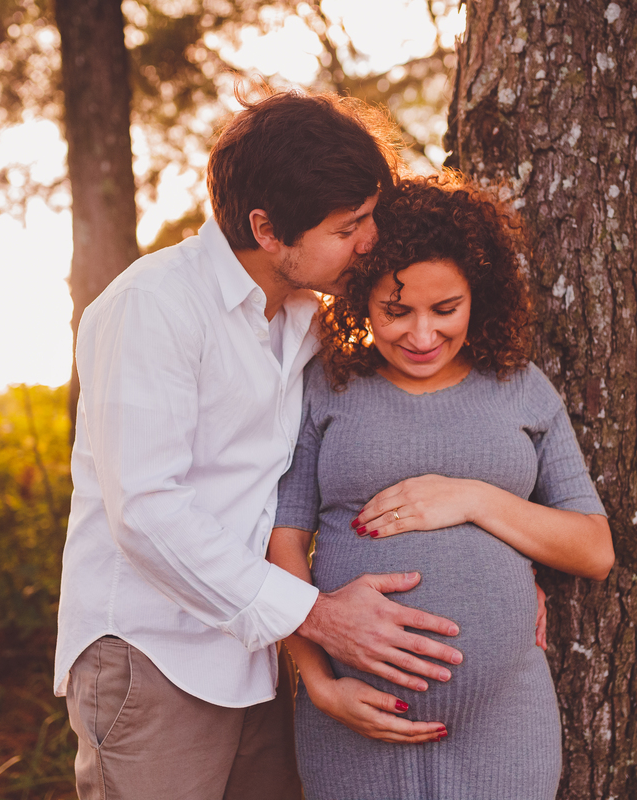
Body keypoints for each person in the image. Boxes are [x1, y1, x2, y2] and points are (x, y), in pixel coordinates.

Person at [53, 91, 470, 800]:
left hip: (255, 655)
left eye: (370, 217)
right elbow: (148, 512)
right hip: (154, 657)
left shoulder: (306, 318)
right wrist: (319, 616)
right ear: (267, 229)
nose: (370, 241)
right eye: (349, 226)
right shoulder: (152, 306)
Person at [268, 172, 615, 800]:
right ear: (359, 300)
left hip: (504, 724)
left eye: (445, 309)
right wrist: (318, 682)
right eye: (395, 311)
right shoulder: (328, 386)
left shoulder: (521, 387)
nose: (422, 335)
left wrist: (475, 498)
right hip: (353, 716)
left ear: (478, 296)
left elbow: (594, 550)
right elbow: (282, 544)